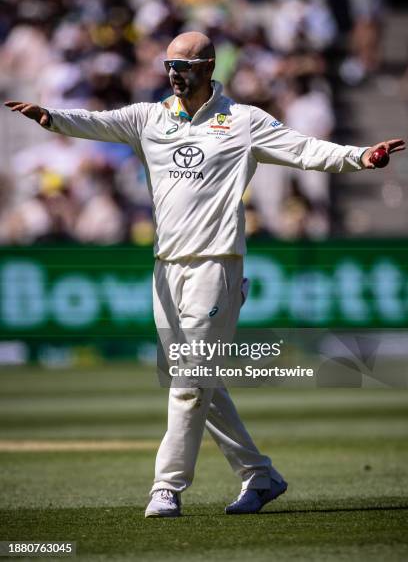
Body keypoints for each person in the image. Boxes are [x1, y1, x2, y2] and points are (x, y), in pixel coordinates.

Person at [5, 31, 405, 518]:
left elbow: (303, 149)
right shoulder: (149, 117)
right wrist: (52, 118)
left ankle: (166, 488)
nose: (175, 74)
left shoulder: (242, 121)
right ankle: (259, 475)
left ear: (210, 67)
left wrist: (359, 156)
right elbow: (98, 122)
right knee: (198, 380)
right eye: (169, 64)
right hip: (165, 266)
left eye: (185, 65)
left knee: (190, 380)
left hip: (217, 264)